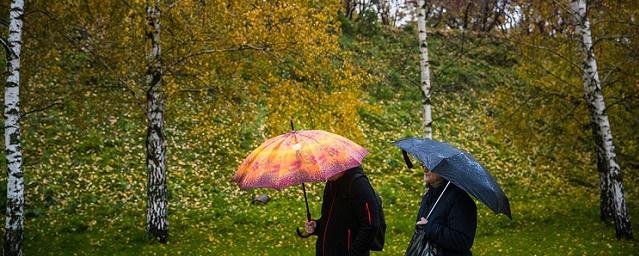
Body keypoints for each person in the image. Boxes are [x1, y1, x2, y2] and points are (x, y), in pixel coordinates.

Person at [303, 165, 382, 256]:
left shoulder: (358, 184)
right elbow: (333, 220)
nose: (322, 171)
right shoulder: (331, 184)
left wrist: (354, 253)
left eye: (324, 166)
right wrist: (317, 225)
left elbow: (371, 224)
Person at [414, 163, 477, 256]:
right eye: (423, 164)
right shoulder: (430, 194)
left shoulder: (460, 200)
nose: (425, 168)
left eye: (431, 165)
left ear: (445, 169)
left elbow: (463, 241)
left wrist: (430, 228)